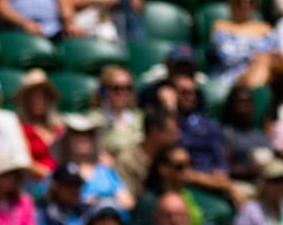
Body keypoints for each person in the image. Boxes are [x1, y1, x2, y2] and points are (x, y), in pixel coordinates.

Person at [172, 72, 246, 208]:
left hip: (214, 181)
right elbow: (179, 168)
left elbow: (221, 163)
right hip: (183, 183)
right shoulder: (168, 125)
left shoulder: (209, 125)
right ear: (173, 94)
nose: (189, 97)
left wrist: (221, 180)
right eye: (184, 93)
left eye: (192, 93)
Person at [52, 111, 134, 214]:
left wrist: (99, 201)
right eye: (77, 133)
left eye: (89, 134)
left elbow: (128, 203)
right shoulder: (60, 171)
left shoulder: (106, 172)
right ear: (67, 139)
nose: (83, 137)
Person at [208, 0, 283, 92]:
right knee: (262, 62)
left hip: (267, 74)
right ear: (230, 3)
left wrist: (264, 58)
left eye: (251, 1)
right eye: (239, 1)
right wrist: (257, 57)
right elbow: (228, 57)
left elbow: (277, 55)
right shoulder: (221, 26)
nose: (245, 5)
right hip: (232, 78)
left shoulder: (265, 28)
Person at [125, 145, 204, 225]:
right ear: (163, 169)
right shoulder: (149, 202)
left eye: (189, 165)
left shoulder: (187, 195)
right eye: (179, 167)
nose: (187, 172)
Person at [114, 106, 179, 201]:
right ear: (155, 132)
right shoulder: (127, 160)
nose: (177, 137)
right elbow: (127, 199)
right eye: (171, 132)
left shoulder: (171, 157)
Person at [12, 68, 64, 185]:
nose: (38, 100)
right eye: (33, 95)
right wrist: (51, 176)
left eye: (43, 95)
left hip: (64, 183)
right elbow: (23, 162)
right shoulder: (18, 127)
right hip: (33, 184)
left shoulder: (60, 126)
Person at [221, 83, 275, 187]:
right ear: (232, 106)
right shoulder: (228, 133)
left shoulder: (260, 134)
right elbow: (224, 167)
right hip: (242, 184)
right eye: (240, 102)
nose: (245, 106)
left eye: (248, 102)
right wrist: (248, 171)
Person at [95, 64, 143, 159]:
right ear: (104, 90)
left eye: (127, 88)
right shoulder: (96, 120)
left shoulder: (140, 118)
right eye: (116, 88)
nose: (122, 93)